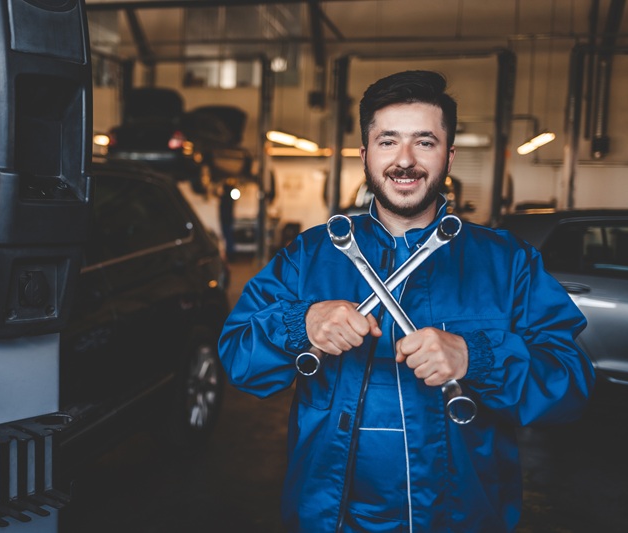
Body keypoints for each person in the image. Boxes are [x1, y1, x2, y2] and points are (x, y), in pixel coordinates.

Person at [217, 70, 595, 532]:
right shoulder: (309, 256)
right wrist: (301, 323)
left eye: (425, 142)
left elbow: (571, 386)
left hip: (461, 519)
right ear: (364, 154)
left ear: (449, 155)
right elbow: (238, 359)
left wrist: (476, 356)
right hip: (331, 518)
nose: (405, 160)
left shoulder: (506, 262)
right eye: (388, 141)